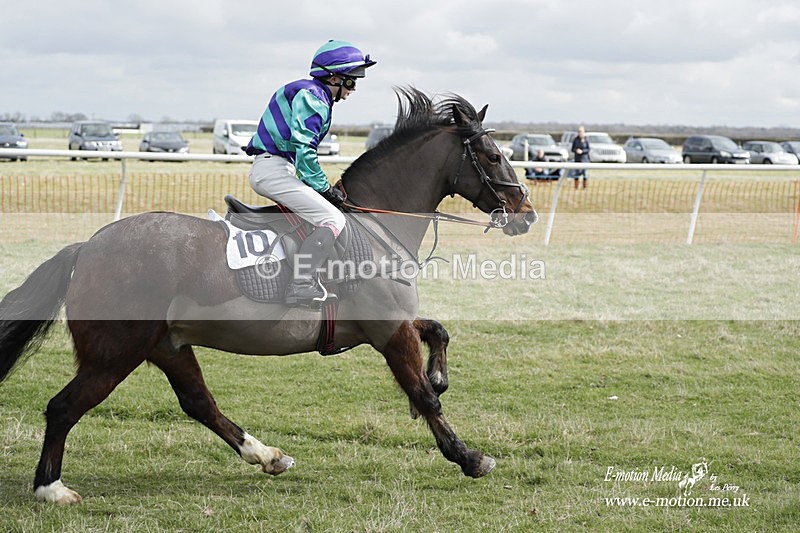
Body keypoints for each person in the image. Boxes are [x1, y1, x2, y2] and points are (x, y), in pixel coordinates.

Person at [245, 40, 376, 307]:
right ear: (333, 77)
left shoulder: (311, 92)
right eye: (350, 82)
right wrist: (324, 189)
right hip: (274, 170)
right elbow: (305, 149)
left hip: (279, 168)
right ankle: (301, 284)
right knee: (333, 219)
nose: (353, 89)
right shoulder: (313, 96)